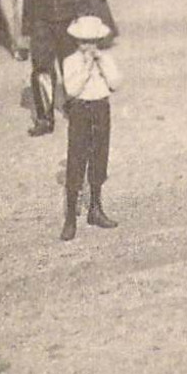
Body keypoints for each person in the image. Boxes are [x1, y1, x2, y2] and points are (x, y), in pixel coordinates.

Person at [22, 0, 93, 136]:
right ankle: (45, 119)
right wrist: (28, 28)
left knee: (72, 66)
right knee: (42, 68)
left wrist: (85, 20)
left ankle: (77, 109)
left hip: (68, 22)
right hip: (42, 23)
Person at [58, 15, 123, 241]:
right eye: (84, 42)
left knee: (99, 157)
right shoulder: (70, 62)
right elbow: (72, 90)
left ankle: (96, 208)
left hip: (101, 108)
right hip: (80, 110)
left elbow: (115, 83)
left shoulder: (105, 59)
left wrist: (101, 63)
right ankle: (70, 218)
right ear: (77, 42)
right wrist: (86, 68)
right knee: (77, 158)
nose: (88, 47)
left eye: (93, 41)